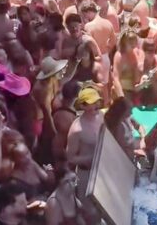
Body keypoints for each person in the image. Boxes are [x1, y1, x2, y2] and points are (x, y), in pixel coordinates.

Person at [65, 87, 105, 223]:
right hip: (86, 175)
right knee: (90, 213)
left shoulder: (101, 116)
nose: (96, 105)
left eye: (97, 102)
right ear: (83, 105)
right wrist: (89, 159)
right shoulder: (76, 129)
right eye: (92, 103)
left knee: (104, 210)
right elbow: (70, 157)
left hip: (103, 171)